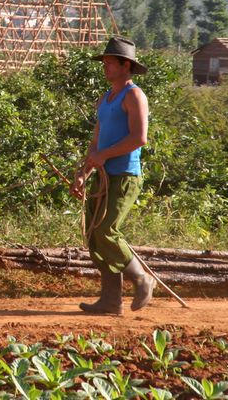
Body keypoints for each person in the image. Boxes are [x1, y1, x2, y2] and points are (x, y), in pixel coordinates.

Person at [69, 36, 155, 315]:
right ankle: (111, 300)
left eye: (110, 62)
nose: (105, 67)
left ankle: (142, 278)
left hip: (125, 175)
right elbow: (96, 143)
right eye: (104, 62)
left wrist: (104, 156)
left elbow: (139, 138)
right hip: (103, 175)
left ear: (125, 65)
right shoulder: (105, 99)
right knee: (94, 235)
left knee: (107, 231)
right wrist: (84, 172)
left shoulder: (134, 95)